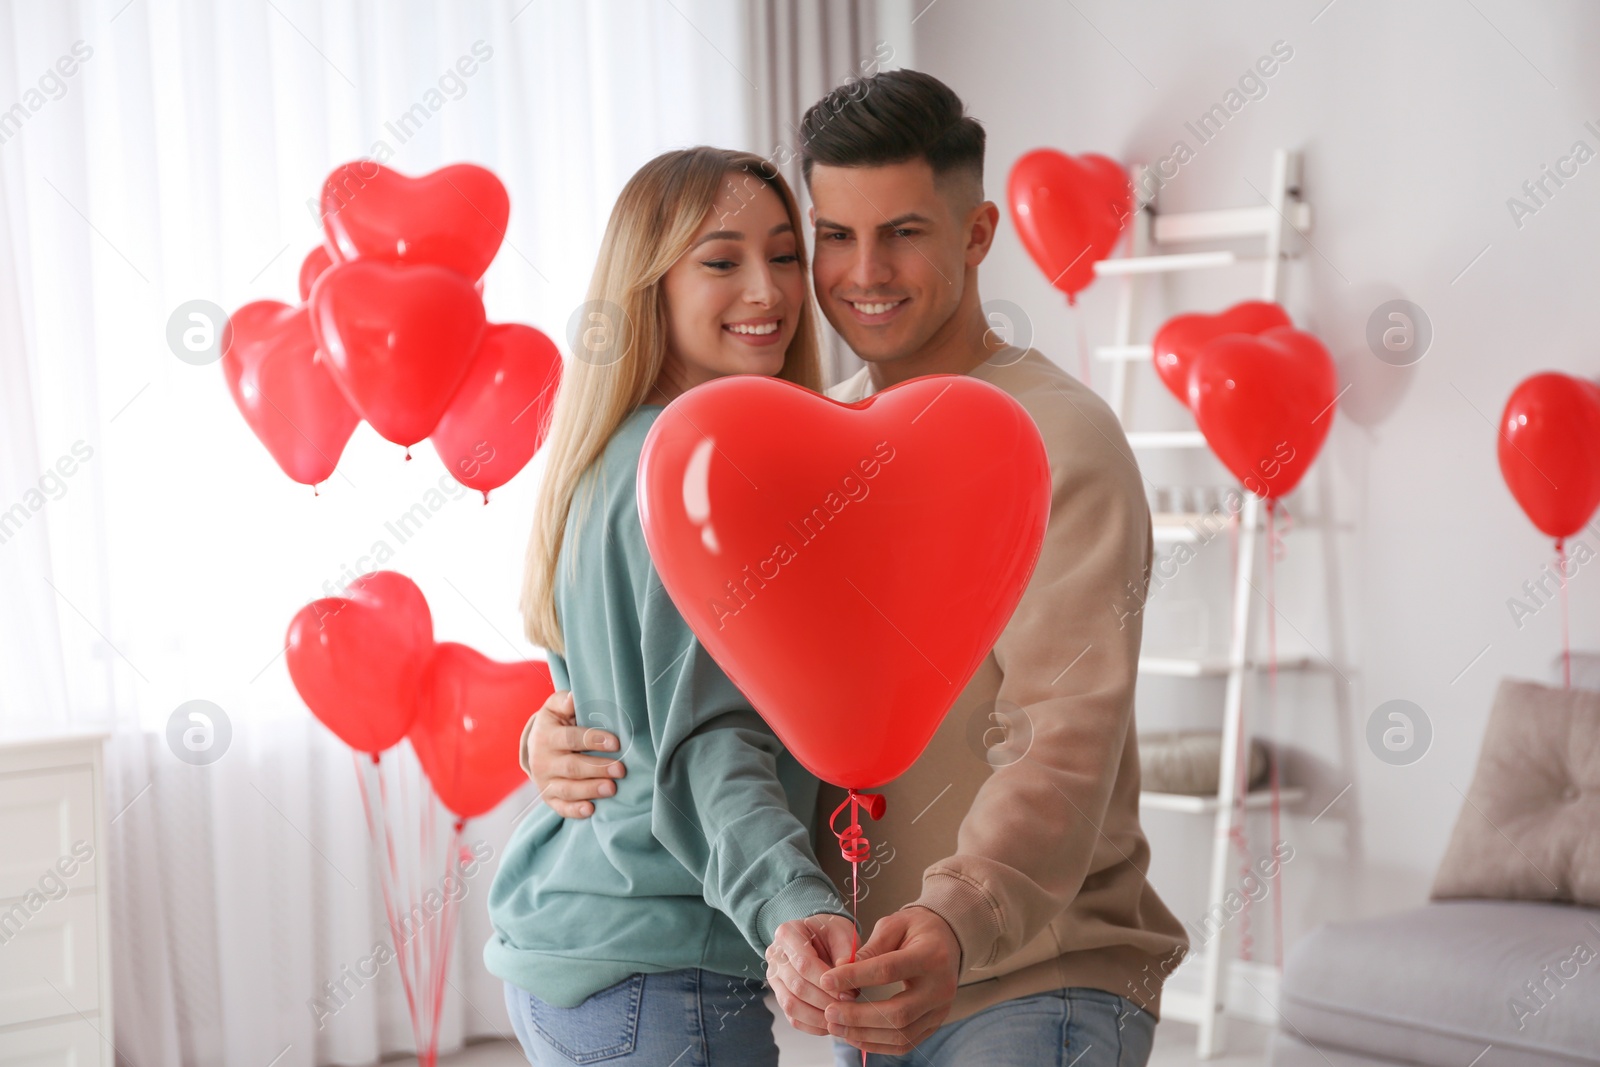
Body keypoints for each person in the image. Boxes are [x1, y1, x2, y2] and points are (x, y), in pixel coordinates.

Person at [524, 69, 1190, 1067]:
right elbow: (695, 683)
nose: (862, 271)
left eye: (905, 232)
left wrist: (959, 921)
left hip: (1030, 978)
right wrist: (560, 730)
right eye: (833, 235)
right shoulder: (795, 439)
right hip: (868, 977)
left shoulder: (1060, 438)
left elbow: (1062, 736)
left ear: (976, 237)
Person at [483, 146, 861, 1067]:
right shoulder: (706, 468)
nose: (767, 289)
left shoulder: (616, 452)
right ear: (651, 285)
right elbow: (706, 742)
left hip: (567, 943)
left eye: (784, 255)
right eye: (722, 260)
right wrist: (795, 903)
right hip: (655, 967)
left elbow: (623, 703)